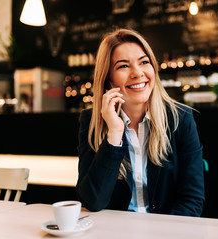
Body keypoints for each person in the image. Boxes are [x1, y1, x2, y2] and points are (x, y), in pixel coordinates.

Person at [76, 28, 204, 217]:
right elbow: (92, 201)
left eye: (144, 62)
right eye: (123, 66)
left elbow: (192, 200)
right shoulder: (92, 120)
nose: (137, 73)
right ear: (108, 79)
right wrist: (114, 134)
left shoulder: (180, 119)